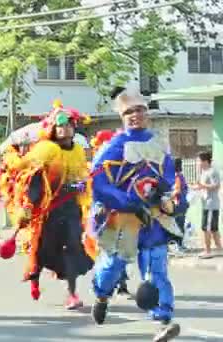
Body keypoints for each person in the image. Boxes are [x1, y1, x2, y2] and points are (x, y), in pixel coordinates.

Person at [90, 88, 180, 341]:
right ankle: (101, 295)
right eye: (129, 111)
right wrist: (128, 202)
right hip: (123, 218)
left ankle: (162, 319)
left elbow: (170, 179)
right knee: (113, 266)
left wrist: (168, 198)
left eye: (139, 110)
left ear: (146, 113)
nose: (135, 115)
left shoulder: (158, 144)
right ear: (121, 116)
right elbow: (98, 184)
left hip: (153, 218)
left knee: (156, 269)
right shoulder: (113, 147)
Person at [0, 100, 93, 310]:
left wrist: (80, 185)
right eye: (60, 125)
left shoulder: (78, 150)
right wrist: (29, 205)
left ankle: (72, 293)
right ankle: (35, 279)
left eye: (69, 124)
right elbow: (33, 179)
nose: (65, 128)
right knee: (42, 248)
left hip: (70, 210)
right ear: (52, 128)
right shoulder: (46, 149)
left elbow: (81, 175)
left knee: (72, 247)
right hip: (47, 209)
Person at [195, 151, 221, 259]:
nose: (198, 163)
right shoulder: (204, 172)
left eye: (199, 161)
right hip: (206, 204)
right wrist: (196, 188)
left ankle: (207, 251)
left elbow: (216, 186)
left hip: (211, 205)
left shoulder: (212, 171)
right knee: (214, 228)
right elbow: (203, 186)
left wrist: (202, 185)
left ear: (205, 161)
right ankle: (219, 249)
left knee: (206, 228)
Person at [170, 158, 189, 251]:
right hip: (183, 203)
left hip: (178, 203)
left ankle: (179, 245)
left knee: (178, 224)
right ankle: (180, 244)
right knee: (179, 224)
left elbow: (177, 190)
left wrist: (168, 197)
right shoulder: (181, 176)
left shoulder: (176, 177)